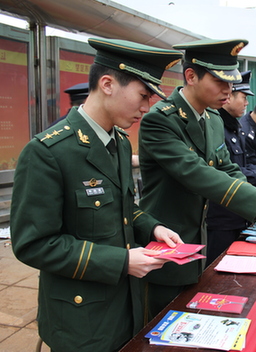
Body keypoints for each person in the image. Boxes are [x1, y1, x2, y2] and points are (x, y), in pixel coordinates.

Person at [10, 38, 185, 352]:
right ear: (107, 84)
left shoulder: (118, 143)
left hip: (126, 304)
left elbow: (123, 207)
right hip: (82, 318)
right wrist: (121, 261)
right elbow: (33, 243)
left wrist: (153, 227)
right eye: (143, 95)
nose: (147, 108)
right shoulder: (48, 152)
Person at [138, 39, 256, 318]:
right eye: (221, 82)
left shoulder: (213, 119)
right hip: (168, 236)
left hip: (203, 236)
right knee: (161, 320)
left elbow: (227, 169)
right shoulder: (161, 120)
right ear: (191, 76)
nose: (228, 92)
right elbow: (196, 173)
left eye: (231, 84)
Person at [205, 71, 256, 266]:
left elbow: (239, 167)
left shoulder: (235, 127)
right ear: (229, 97)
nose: (246, 104)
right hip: (221, 217)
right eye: (243, 97)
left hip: (238, 213)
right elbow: (220, 174)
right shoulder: (217, 126)